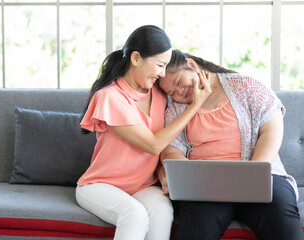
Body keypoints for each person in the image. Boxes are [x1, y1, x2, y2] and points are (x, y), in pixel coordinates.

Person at [75, 26, 211, 240]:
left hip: (143, 186)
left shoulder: (160, 94)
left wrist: (163, 174)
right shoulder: (110, 97)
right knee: (135, 214)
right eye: (159, 65)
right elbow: (153, 145)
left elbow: (162, 149)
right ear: (136, 58)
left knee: (162, 212)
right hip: (100, 186)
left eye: (165, 66)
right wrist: (195, 107)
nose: (162, 74)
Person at [157, 49, 304, 240]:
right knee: (197, 227)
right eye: (172, 92)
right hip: (205, 184)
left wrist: (255, 172)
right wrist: (183, 175)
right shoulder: (176, 109)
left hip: (260, 174)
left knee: (282, 222)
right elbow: (171, 149)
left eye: (178, 82)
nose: (179, 93)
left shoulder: (244, 86)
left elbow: (271, 129)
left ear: (192, 65)